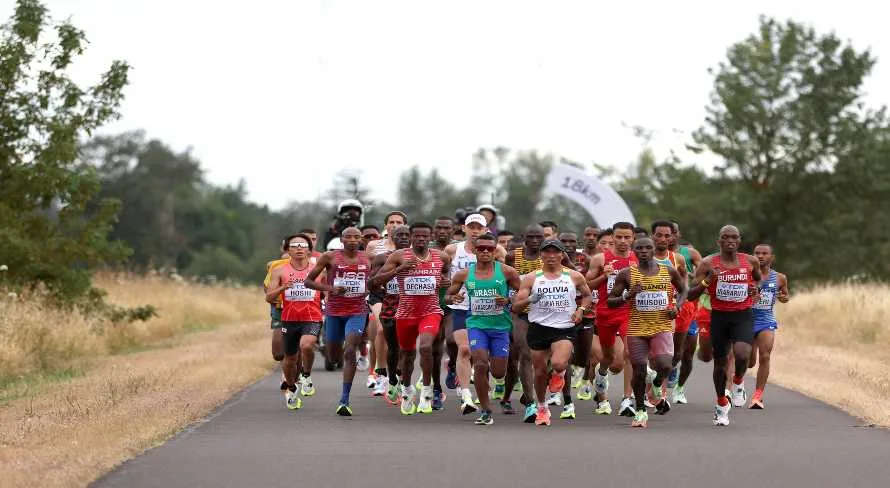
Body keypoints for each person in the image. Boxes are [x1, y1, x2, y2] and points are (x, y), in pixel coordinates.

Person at [371, 222, 452, 415]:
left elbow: (445, 273)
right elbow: (375, 282)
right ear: (411, 237)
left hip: (431, 311)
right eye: (417, 236)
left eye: (425, 236)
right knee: (406, 356)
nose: (421, 239)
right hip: (405, 314)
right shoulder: (398, 256)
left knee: (426, 347)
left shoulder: (441, 256)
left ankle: (426, 391)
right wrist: (400, 269)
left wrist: (445, 282)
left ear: (430, 236)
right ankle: (407, 390)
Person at [608, 237, 687, 427]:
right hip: (637, 328)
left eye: (648, 248)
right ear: (634, 251)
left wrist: (677, 307)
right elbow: (611, 301)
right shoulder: (626, 274)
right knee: (640, 370)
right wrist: (628, 295)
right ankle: (641, 411)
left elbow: (684, 290)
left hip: (662, 326)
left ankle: (658, 384)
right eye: (639, 248)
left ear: (654, 249)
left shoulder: (667, 270)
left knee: (666, 365)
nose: (644, 251)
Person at [512, 239, 593, 426]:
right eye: (546, 252)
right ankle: (542, 407)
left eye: (555, 252)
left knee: (558, 363)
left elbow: (587, 296)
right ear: (541, 255)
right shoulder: (532, 278)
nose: (551, 256)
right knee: (539, 372)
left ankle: (558, 374)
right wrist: (530, 299)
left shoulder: (573, 276)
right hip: (538, 327)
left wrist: (581, 310)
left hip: (564, 326)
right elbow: (516, 306)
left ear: (562, 255)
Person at [687, 225, 762, 426]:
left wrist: (756, 290)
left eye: (734, 237)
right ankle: (721, 404)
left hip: (743, 315)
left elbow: (758, 280)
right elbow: (691, 293)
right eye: (725, 237)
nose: (730, 240)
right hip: (719, 316)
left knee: (742, 353)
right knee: (719, 364)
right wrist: (707, 281)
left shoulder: (750, 261)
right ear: (718, 241)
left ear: (739, 241)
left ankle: (738, 381)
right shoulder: (708, 263)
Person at [445, 233, 521, 425]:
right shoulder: (464, 274)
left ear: (495, 251)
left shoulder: (506, 272)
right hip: (476, 325)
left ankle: (495, 389)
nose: (486, 251)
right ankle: (486, 410)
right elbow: (448, 295)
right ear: (475, 251)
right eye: (481, 248)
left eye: (490, 248)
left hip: (500, 327)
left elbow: (522, 292)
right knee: (479, 364)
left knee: (497, 373)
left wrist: (509, 300)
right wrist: (453, 298)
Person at [443, 214, 507, 413]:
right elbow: (444, 277)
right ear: (464, 228)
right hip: (463, 309)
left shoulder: (497, 251)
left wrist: (505, 299)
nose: (475, 230)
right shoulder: (453, 250)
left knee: (487, 361)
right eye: (471, 227)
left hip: (491, 311)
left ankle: (481, 380)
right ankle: (466, 396)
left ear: (486, 230)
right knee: (464, 349)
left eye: (479, 227)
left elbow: (506, 278)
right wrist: (451, 295)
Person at [304, 227, 371, 416]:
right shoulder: (330, 257)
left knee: (350, 351)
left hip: (357, 312)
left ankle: (344, 399)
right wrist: (331, 288)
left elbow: (376, 279)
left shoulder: (368, 258)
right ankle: (338, 354)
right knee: (333, 358)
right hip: (334, 312)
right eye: (348, 236)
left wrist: (371, 288)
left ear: (361, 239)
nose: (351, 240)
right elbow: (308, 282)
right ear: (341, 239)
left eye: (356, 237)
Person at [265, 234, 324, 409]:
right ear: (288, 250)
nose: (299, 248)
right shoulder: (279, 271)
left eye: (302, 245)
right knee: (289, 359)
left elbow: (328, 290)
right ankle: (291, 387)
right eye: (294, 245)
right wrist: (283, 287)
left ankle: (306, 374)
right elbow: (269, 297)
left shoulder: (319, 270)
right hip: (289, 319)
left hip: (312, 317)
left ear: (309, 249)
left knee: (306, 345)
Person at [587, 222, 638, 416]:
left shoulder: (637, 260)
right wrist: (603, 276)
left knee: (629, 353)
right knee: (608, 359)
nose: (623, 241)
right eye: (619, 237)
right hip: (605, 313)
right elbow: (586, 286)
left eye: (627, 237)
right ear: (613, 238)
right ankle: (601, 375)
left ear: (633, 238)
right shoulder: (601, 259)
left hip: (628, 312)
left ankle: (627, 399)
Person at [504, 224, 546, 422]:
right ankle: (531, 403)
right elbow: (505, 279)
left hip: (546, 313)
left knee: (546, 358)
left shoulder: (550, 257)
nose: (536, 241)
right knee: (525, 354)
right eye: (532, 237)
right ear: (524, 237)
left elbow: (571, 275)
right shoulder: (513, 256)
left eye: (539, 237)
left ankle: (529, 390)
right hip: (519, 312)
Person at [363, 211, 408, 392]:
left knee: (398, 335)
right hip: (380, 294)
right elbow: (369, 271)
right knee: (382, 328)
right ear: (386, 225)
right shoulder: (374, 245)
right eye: (391, 222)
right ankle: (380, 374)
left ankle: (397, 371)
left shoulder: (410, 245)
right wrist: (376, 284)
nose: (395, 225)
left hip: (403, 295)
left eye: (399, 222)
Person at [747, 244, 789, 409]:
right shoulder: (747, 275)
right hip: (746, 320)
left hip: (766, 320)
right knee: (748, 362)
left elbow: (785, 295)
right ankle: (737, 382)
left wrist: (784, 297)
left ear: (772, 257)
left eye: (765, 253)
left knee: (765, 356)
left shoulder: (779, 278)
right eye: (757, 253)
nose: (760, 256)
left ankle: (757, 396)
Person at [557, 231, 592, 419]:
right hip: (560, 316)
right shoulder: (549, 261)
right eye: (564, 242)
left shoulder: (584, 259)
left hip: (585, 313)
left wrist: (568, 265)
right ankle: (566, 400)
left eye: (571, 241)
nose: (568, 244)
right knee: (563, 360)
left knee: (581, 359)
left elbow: (586, 282)